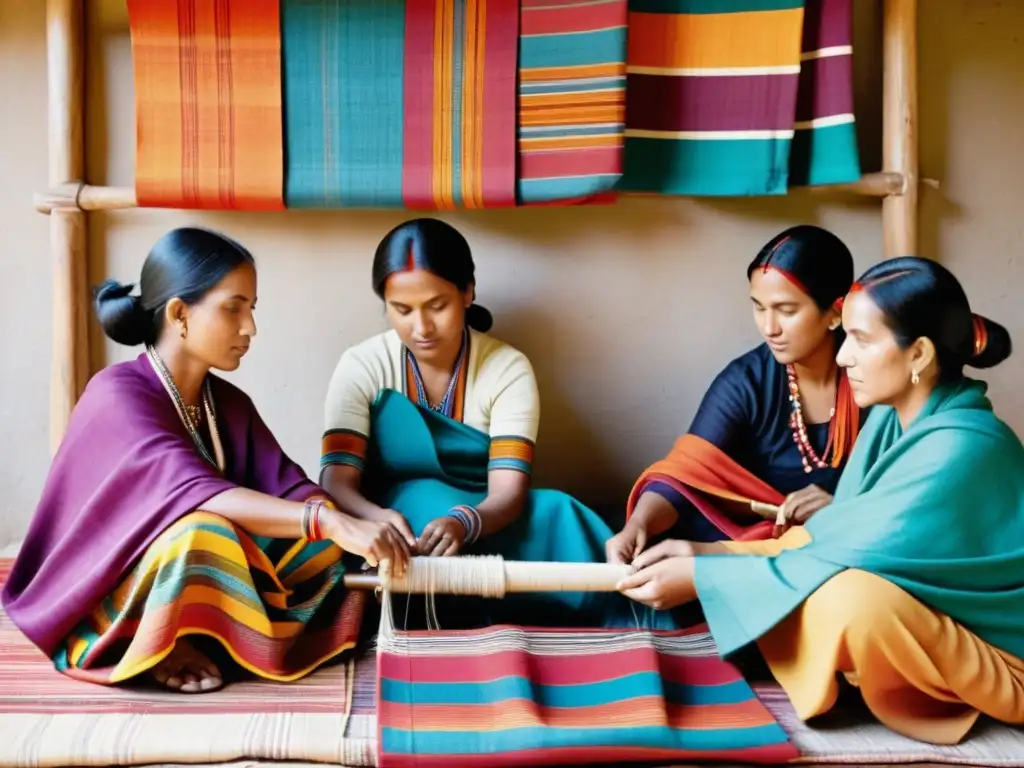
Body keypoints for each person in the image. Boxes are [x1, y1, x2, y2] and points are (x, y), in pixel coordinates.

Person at [616, 256, 1024, 745]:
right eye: (846, 336)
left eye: (862, 340)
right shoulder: (892, 420)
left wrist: (703, 575)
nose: (844, 356)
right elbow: (830, 539)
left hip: (1001, 652)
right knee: (833, 590)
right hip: (916, 604)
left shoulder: (963, 445)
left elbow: (843, 556)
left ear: (918, 355)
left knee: (850, 599)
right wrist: (700, 556)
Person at [1, 227, 411, 694]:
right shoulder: (116, 395)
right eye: (233, 308)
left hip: (201, 562)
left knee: (324, 540)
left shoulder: (227, 402)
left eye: (252, 309)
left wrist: (342, 522)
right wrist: (325, 520)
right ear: (179, 313)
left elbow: (289, 489)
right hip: (104, 586)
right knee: (204, 532)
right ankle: (159, 640)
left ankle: (221, 634)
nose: (249, 328)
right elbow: (195, 493)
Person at [320, 218, 652, 628]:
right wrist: (377, 518)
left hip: (489, 512)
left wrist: (465, 521)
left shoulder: (507, 367)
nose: (421, 327)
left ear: (468, 292)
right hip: (403, 522)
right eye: (402, 310)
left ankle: (621, 617)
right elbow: (337, 482)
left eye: (437, 306)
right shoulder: (361, 365)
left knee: (560, 512)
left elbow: (509, 492)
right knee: (425, 506)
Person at [608, 225, 865, 565]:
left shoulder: (873, 376)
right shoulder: (746, 382)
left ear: (835, 312)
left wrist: (843, 508)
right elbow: (686, 474)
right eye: (759, 307)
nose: (769, 327)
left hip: (853, 545)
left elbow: (911, 488)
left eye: (786, 311)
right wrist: (638, 524)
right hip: (750, 554)